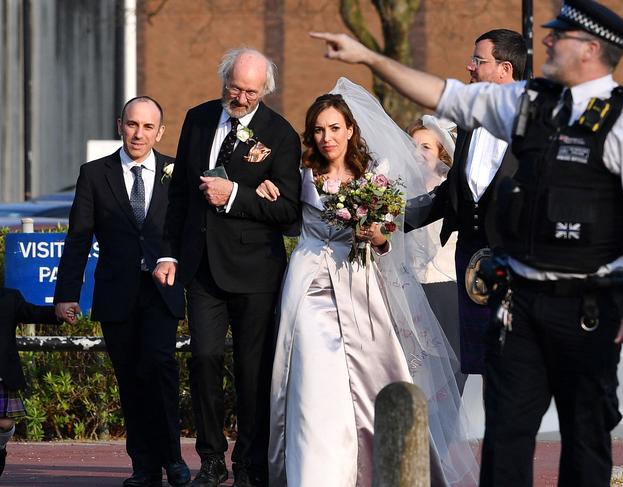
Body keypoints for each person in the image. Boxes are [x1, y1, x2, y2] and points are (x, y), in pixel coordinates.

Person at [310, 0, 623, 486]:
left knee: (585, 432)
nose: (547, 42)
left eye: (561, 36)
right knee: (507, 431)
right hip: (520, 301)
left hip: (588, 304)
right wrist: (370, 57)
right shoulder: (524, 103)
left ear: (592, 49)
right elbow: (441, 93)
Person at [260, 79, 478, 487]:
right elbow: (284, 214)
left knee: (377, 371)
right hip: (309, 282)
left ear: (350, 130)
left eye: (335, 128)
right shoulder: (301, 174)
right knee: (313, 375)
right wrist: (266, 189)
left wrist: (378, 237)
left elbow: (388, 238)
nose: (327, 138)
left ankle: (386, 467)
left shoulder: (375, 176)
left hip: (360, 279)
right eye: (320, 130)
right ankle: (316, 473)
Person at [153, 48, 301, 487]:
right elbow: (179, 193)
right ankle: (211, 458)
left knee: (253, 372)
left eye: (250, 91)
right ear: (223, 80)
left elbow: (290, 212)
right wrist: (168, 253)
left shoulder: (281, 134)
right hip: (201, 270)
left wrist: (235, 194)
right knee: (203, 360)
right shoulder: (198, 119)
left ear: (264, 91)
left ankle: (251, 463)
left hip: (256, 272)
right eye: (234, 87)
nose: (240, 97)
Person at [54, 96, 189, 487]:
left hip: (161, 292)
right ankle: (143, 467)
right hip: (117, 295)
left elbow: (187, 233)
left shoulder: (176, 174)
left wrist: (175, 262)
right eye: (132, 124)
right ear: (120, 125)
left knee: (161, 369)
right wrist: (67, 294)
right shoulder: (95, 174)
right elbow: (78, 238)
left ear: (160, 132)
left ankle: (174, 460)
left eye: (148, 127)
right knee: (130, 379)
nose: (139, 133)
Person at [409, 29, 527, 377]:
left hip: (519, 268)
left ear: (504, 70)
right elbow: (451, 195)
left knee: (520, 368)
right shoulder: (468, 121)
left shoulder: (536, 124)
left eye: (479, 60)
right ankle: (495, 434)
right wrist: (391, 218)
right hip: (472, 266)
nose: (469, 66)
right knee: (484, 367)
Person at [405, 115, 467, 392]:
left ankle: (448, 429)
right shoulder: (399, 190)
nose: (417, 153)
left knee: (453, 368)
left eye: (426, 147)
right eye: (413, 146)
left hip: (447, 286)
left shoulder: (454, 193)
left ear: (442, 153)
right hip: (413, 290)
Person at [0, 288, 69, 478]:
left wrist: (60, 312)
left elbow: (32, 312)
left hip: (2, 373)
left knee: (4, 424)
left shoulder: (8, 297)